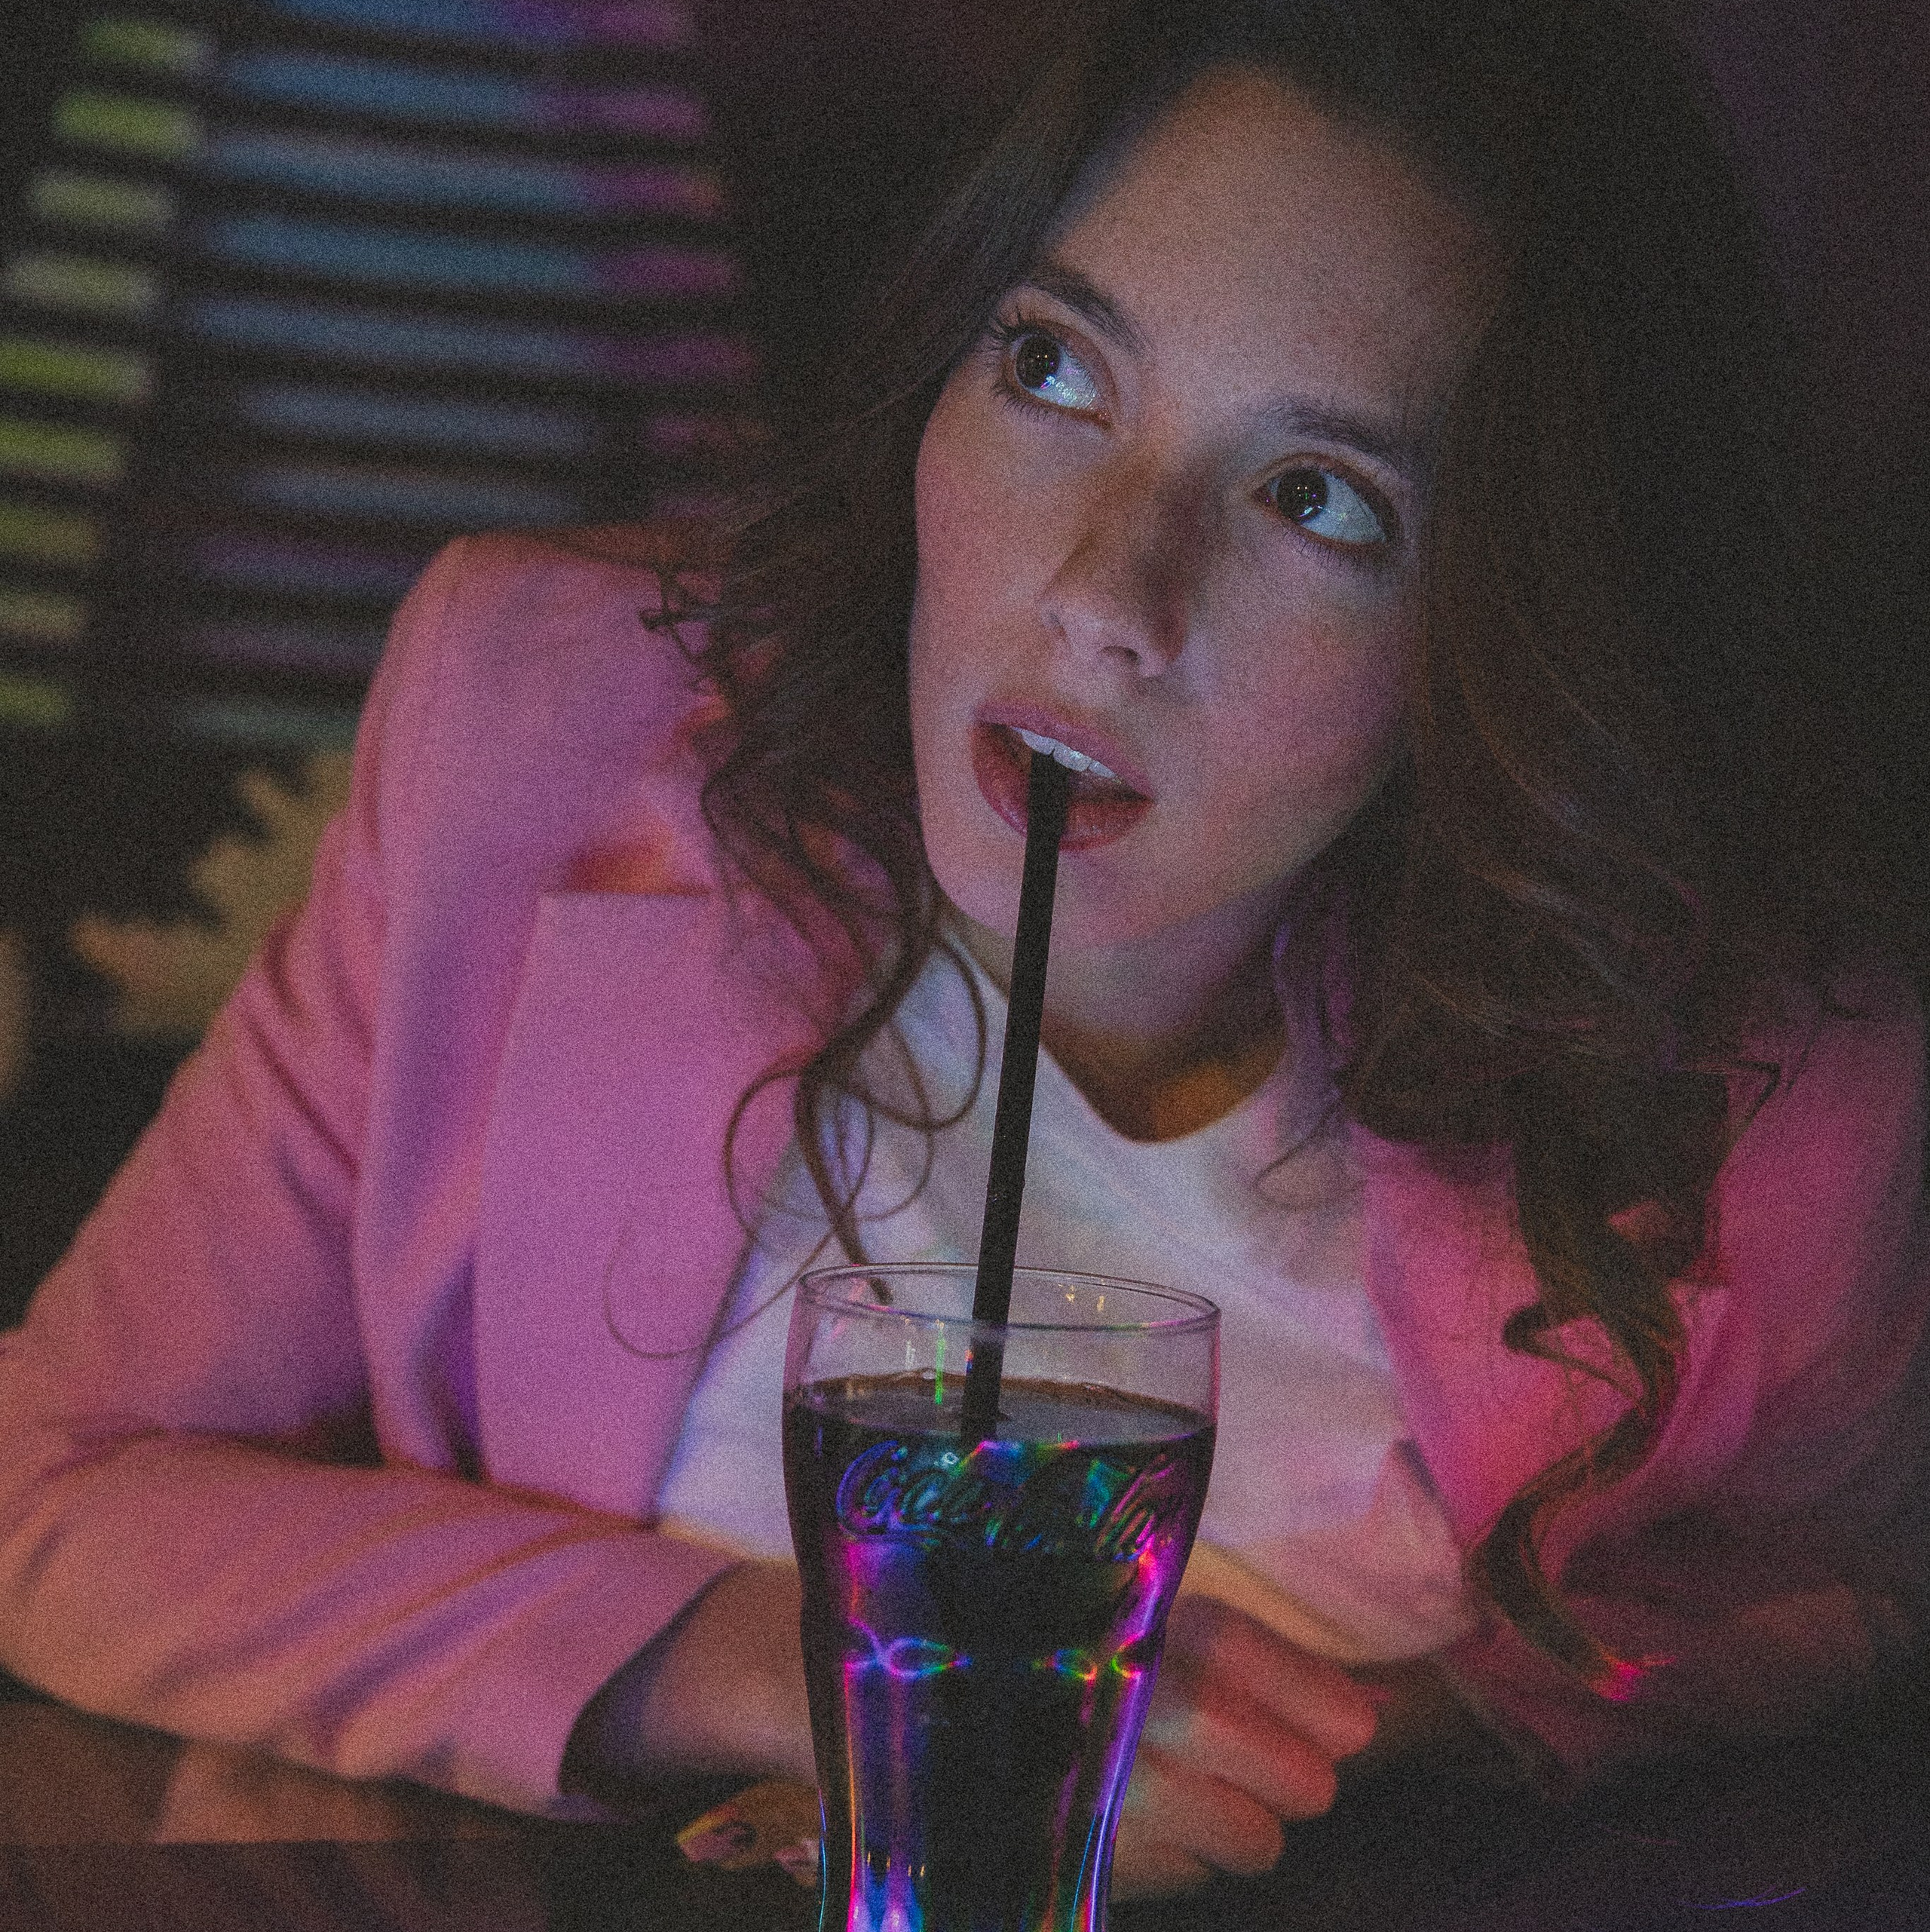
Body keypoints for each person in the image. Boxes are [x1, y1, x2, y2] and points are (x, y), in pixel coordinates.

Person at [2, 0, 1925, 1899]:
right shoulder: (540, 730)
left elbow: (1833, 1595)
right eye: (1053, 369)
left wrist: (1394, 1719)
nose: (1102, 593)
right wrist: (763, 1665)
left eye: (1314, 500)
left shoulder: (1744, 1050)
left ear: (1509, 618)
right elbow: (56, 1486)